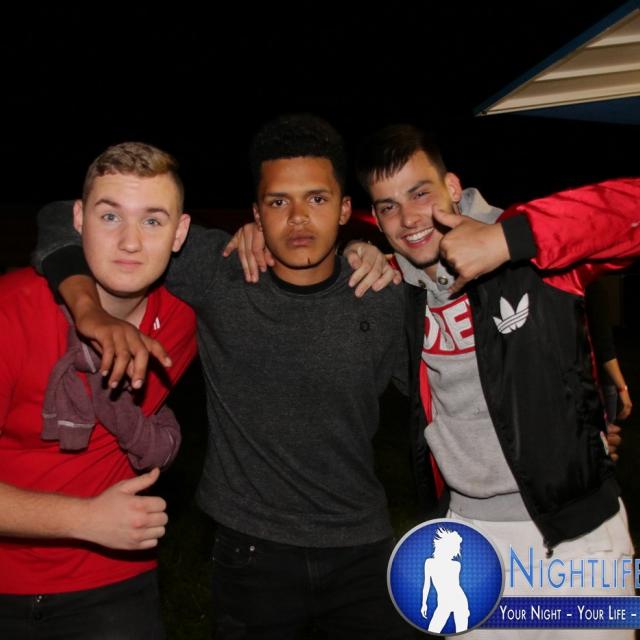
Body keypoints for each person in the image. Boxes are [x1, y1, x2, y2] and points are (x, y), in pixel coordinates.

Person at [34, 115, 413, 639]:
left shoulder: (381, 293)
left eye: (317, 199)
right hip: (252, 552)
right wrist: (89, 312)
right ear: (255, 213)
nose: (298, 218)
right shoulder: (222, 270)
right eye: (278, 202)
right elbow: (61, 217)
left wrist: (380, 255)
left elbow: (437, 389)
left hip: (363, 548)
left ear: (346, 209)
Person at [353, 124, 640, 639]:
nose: (408, 218)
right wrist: (358, 250)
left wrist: (508, 239)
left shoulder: (528, 250)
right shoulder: (398, 288)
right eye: (388, 206)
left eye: (419, 193)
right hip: (468, 542)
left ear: (452, 188)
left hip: (580, 539)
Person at [0, 142, 197, 639]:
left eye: (152, 221)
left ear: (180, 233)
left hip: (115, 584)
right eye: (110, 217)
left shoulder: (188, 315)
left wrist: (361, 251)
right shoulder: (10, 310)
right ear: (77, 220)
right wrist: (84, 519)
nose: (130, 242)